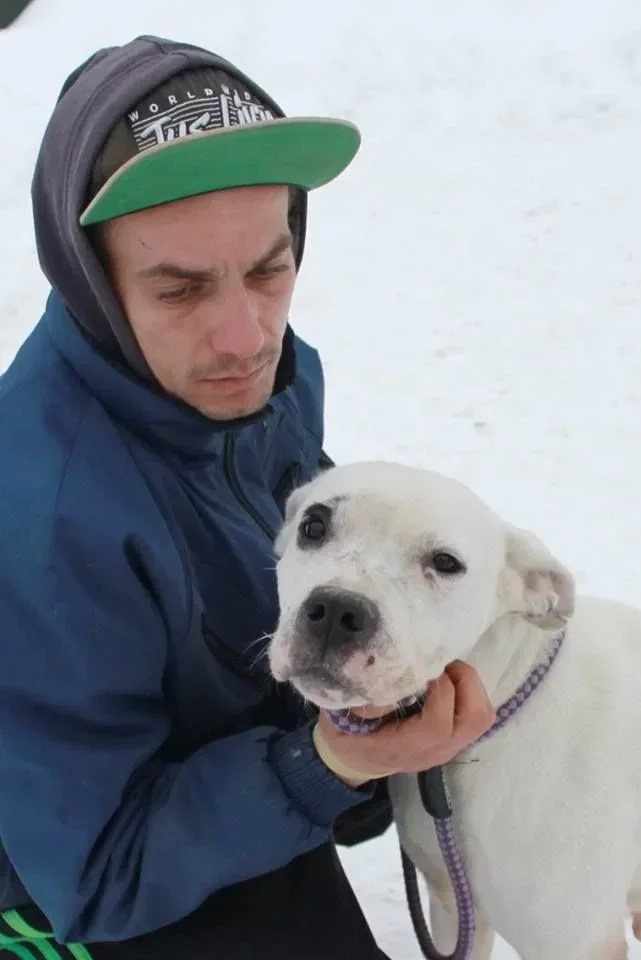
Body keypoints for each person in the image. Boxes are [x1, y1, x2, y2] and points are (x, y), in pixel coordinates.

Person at [0, 34, 495, 960]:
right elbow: (94, 874)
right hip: (69, 881)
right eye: (178, 289)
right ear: (88, 281)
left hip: (214, 775)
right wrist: (328, 763)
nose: (245, 337)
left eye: (269, 269)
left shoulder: (255, 381)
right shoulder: (43, 520)